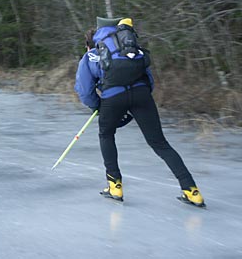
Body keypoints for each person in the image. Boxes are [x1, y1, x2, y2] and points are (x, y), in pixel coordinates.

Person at [74, 16, 205, 207]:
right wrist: (137, 101)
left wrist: (97, 106)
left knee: (106, 134)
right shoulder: (131, 50)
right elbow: (148, 80)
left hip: (112, 98)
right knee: (160, 143)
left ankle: (114, 186)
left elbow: (84, 90)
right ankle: (191, 190)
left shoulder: (91, 56)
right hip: (142, 95)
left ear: (91, 43)